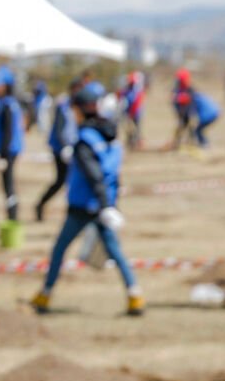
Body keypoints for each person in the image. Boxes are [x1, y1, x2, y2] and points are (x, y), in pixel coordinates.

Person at [31, 84, 145, 316]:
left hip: (84, 205)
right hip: (105, 205)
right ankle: (135, 295)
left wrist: (104, 205)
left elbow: (95, 175)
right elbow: (112, 172)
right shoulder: (110, 136)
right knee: (115, 251)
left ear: (80, 110)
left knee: (59, 249)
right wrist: (111, 205)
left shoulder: (85, 139)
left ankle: (45, 294)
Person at [35, 78, 83, 222]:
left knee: (68, 181)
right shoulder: (63, 106)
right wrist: (65, 148)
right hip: (60, 149)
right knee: (61, 181)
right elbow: (60, 130)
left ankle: (71, 212)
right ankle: (41, 204)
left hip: (71, 149)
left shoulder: (77, 106)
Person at [0, 66, 24, 221]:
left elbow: (8, 131)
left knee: (8, 184)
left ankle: (12, 217)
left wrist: (3, 154)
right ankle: (12, 214)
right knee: (8, 184)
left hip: (8, 151)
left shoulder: (7, 104)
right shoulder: (8, 102)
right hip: (9, 149)